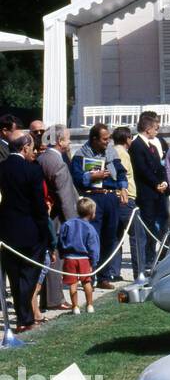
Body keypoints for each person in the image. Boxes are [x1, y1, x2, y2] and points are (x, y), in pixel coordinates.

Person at [0, 134, 52, 332]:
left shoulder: (2, 168)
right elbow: (38, 204)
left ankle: (24, 317)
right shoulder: (32, 170)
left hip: (6, 229)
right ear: (25, 147)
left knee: (14, 275)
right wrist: (44, 230)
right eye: (31, 146)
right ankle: (25, 318)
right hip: (30, 229)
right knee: (29, 274)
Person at [71, 122, 127, 288]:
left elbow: (121, 171)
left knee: (110, 237)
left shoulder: (111, 152)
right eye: (104, 139)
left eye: (108, 138)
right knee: (92, 237)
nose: (107, 141)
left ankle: (104, 276)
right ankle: (90, 275)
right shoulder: (80, 155)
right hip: (93, 198)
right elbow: (76, 178)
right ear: (94, 139)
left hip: (110, 197)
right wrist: (92, 177)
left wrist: (123, 188)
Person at [35, 123, 78, 311]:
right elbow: (65, 196)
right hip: (57, 217)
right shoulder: (57, 161)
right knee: (55, 257)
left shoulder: (42, 158)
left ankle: (48, 298)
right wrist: (73, 222)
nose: (69, 142)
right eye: (67, 138)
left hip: (46, 214)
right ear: (60, 141)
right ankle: (54, 299)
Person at [129, 111, 170, 271]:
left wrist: (164, 182)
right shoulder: (137, 145)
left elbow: (160, 166)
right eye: (155, 129)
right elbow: (142, 168)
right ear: (148, 129)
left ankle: (157, 256)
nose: (157, 132)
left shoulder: (153, 144)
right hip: (146, 193)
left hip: (158, 191)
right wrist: (155, 183)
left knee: (158, 225)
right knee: (148, 226)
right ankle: (148, 259)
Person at [59, 197, 100, 315]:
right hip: (84, 259)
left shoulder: (67, 224)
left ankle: (75, 307)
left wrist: (62, 254)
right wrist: (94, 263)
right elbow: (93, 248)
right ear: (92, 213)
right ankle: (90, 305)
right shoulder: (90, 228)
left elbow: (61, 241)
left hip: (69, 258)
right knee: (87, 282)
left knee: (73, 284)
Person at [109, 126, 135, 281]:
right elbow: (121, 175)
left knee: (117, 236)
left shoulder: (114, 151)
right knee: (137, 235)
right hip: (126, 197)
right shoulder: (122, 153)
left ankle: (114, 271)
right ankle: (139, 271)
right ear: (127, 138)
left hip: (119, 198)